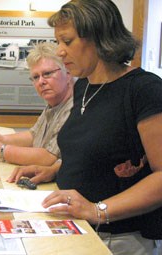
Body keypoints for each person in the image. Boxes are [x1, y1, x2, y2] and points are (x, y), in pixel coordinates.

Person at [39, 1, 162, 254]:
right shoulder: (83, 87)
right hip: (75, 226)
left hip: (118, 238)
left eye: (67, 41)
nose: (59, 52)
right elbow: (97, 151)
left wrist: (97, 210)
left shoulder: (143, 90)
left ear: (99, 37)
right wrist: (54, 170)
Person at [0, 42, 74, 167]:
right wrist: (1, 139)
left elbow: (49, 157)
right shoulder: (54, 103)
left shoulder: (73, 108)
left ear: (68, 73)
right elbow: (33, 135)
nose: (41, 82)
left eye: (47, 74)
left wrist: (1, 150)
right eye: (35, 77)